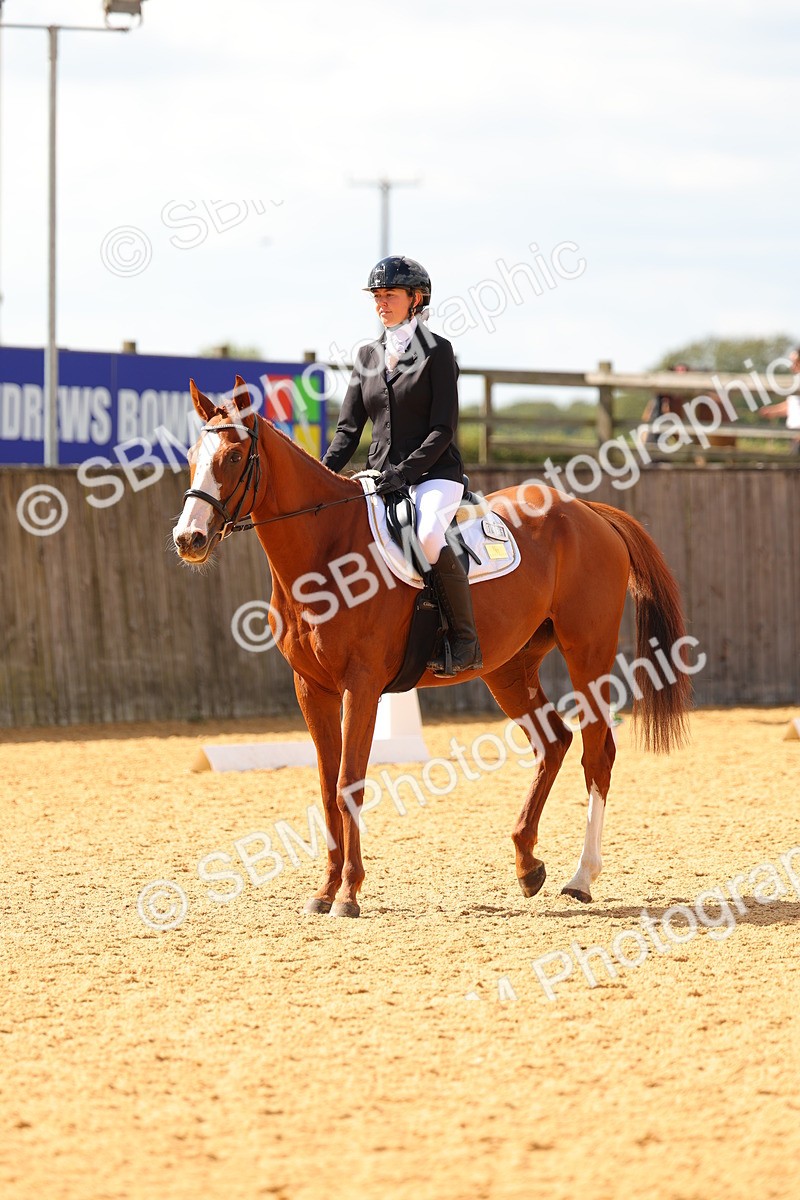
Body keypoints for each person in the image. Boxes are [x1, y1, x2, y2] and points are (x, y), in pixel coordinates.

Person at [322, 255, 482, 676]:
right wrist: (321, 476)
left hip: (433, 475)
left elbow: (442, 429)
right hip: (380, 478)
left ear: (416, 299)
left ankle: (463, 639)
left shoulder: (438, 351)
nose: (381, 302)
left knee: (427, 537)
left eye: (390, 294)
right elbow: (347, 431)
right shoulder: (368, 355)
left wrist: (404, 473)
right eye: (377, 295)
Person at [758, 346, 800, 455]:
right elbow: (793, 405)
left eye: (796, 362)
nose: (792, 366)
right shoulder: (796, 384)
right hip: (794, 436)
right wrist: (773, 411)